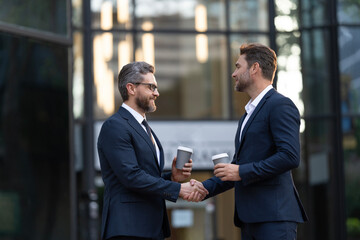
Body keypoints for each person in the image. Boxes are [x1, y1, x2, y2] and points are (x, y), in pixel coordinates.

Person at [190, 43, 308, 239]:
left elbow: (290, 156)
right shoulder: (247, 115)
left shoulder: (280, 105)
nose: (233, 74)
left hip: (274, 219)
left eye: (238, 66)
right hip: (251, 220)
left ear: (254, 68)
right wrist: (205, 187)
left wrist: (240, 171)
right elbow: (238, 168)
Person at [97, 61, 208, 240]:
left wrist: (172, 177)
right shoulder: (115, 126)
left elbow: (144, 176)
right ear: (131, 88)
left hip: (150, 229)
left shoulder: (144, 128)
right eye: (151, 87)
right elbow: (131, 176)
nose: (156, 93)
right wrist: (178, 188)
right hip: (128, 229)